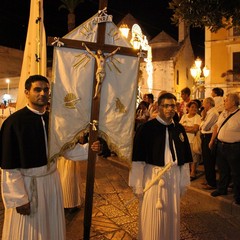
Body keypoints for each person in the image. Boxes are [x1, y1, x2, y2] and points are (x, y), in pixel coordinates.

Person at [0, 75, 100, 239]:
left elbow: (67, 150)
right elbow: (9, 166)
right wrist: (18, 199)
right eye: (37, 89)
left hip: (51, 183)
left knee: (50, 226)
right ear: (27, 92)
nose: (42, 93)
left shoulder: (55, 120)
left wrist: (90, 149)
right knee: (29, 230)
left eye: (46, 89)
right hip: (28, 186)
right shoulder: (13, 123)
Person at [129, 92, 192, 240]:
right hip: (153, 178)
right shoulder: (146, 128)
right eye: (166, 106)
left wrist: (183, 182)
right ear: (159, 107)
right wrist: (137, 184)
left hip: (174, 177)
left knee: (172, 216)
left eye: (173, 106)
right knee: (152, 215)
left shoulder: (179, 129)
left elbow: (184, 160)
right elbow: (138, 159)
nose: (170, 109)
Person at [209, 93, 240, 204]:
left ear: (233, 102)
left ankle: (238, 195)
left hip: (234, 148)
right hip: (221, 146)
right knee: (223, 170)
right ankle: (222, 189)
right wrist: (212, 140)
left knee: (236, 172)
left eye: (226, 100)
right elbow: (217, 127)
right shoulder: (223, 114)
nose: (224, 102)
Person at [200, 97, 219, 189]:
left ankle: (211, 183)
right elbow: (202, 125)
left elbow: (205, 126)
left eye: (204, 103)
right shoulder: (208, 113)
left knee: (209, 160)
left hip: (208, 137)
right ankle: (208, 180)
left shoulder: (213, 113)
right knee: (206, 160)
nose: (203, 105)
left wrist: (202, 125)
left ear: (208, 103)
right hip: (205, 136)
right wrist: (203, 123)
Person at [180, 101, 201, 181]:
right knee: (186, 156)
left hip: (192, 140)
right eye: (192, 107)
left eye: (196, 107)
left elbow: (195, 129)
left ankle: (193, 172)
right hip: (184, 140)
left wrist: (185, 128)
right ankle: (187, 171)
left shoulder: (197, 117)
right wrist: (189, 128)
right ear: (188, 108)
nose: (194, 109)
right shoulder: (184, 116)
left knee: (193, 157)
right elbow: (180, 127)